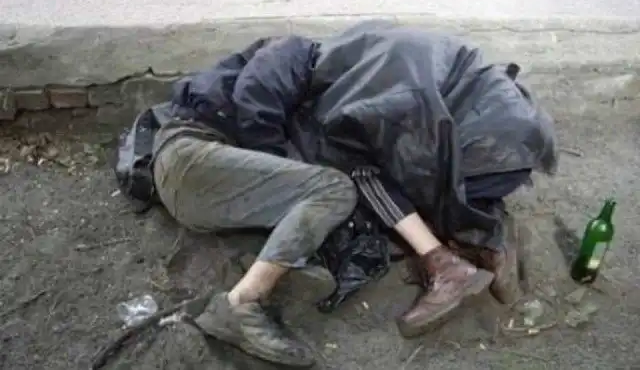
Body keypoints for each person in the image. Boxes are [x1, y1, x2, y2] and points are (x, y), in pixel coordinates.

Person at [149, 22, 556, 367]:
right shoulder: (290, 53)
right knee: (335, 187)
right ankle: (240, 303)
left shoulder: (324, 81)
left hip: (204, 175)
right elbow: (256, 107)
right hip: (191, 157)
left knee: (343, 180)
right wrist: (294, 168)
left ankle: (468, 248)